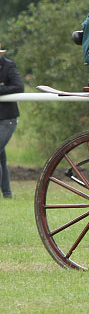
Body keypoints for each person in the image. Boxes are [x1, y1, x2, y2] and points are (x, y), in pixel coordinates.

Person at [0, 45, 23, 199]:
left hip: (7, 119)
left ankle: (7, 194)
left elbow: (19, 87)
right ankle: (7, 194)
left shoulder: (9, 66)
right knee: (1, 157)